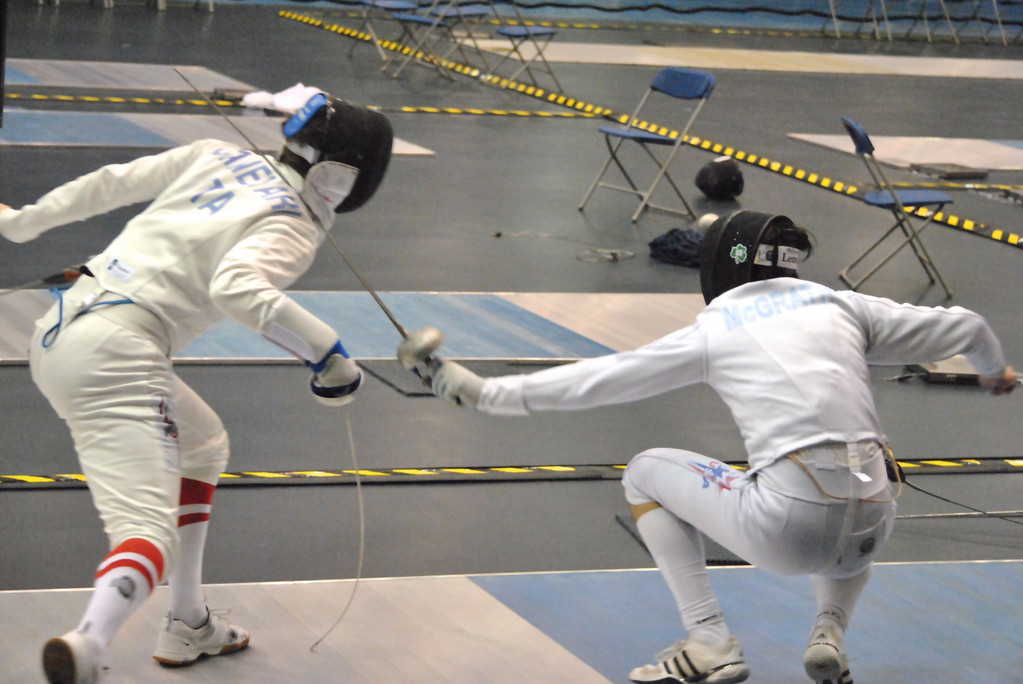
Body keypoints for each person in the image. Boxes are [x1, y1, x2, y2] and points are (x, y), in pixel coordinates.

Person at [398, 210, 1017, 684]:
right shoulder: (841, 308)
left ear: (721, 267)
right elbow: (966, 326)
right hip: (876, 522)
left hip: (786, 526)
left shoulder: (716, 329)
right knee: (856, 498)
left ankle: (709, 642)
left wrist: (481, 393)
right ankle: (828, 632)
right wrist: (995, 372)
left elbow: (597, 382)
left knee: (644, 474)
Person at [0, 93, 393, 684]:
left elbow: (111, 183)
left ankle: (188, 621)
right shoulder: (293, 224)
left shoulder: (219, 153)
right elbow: (238, 287)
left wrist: (20, 221)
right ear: (344, 178)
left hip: (61, 328)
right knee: (144, 533)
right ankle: (89, 641)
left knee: (204, 442)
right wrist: (327, 354)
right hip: (118, 359)